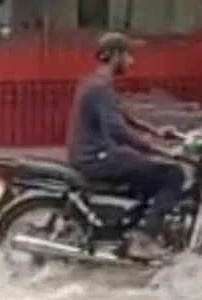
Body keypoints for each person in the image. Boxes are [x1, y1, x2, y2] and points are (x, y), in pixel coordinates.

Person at [66, 32, 187, 261]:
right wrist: (160, 151)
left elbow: (121, 116)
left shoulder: (94, 82)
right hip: (96, 157)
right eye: (128, 55)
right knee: (172, 173)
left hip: (91, 154)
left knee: (147, 169)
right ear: (114, 56)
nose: (131, 61)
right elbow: (117, 131)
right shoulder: (100, 88)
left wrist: (156, 132)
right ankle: (143, 238)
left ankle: (134, 227)